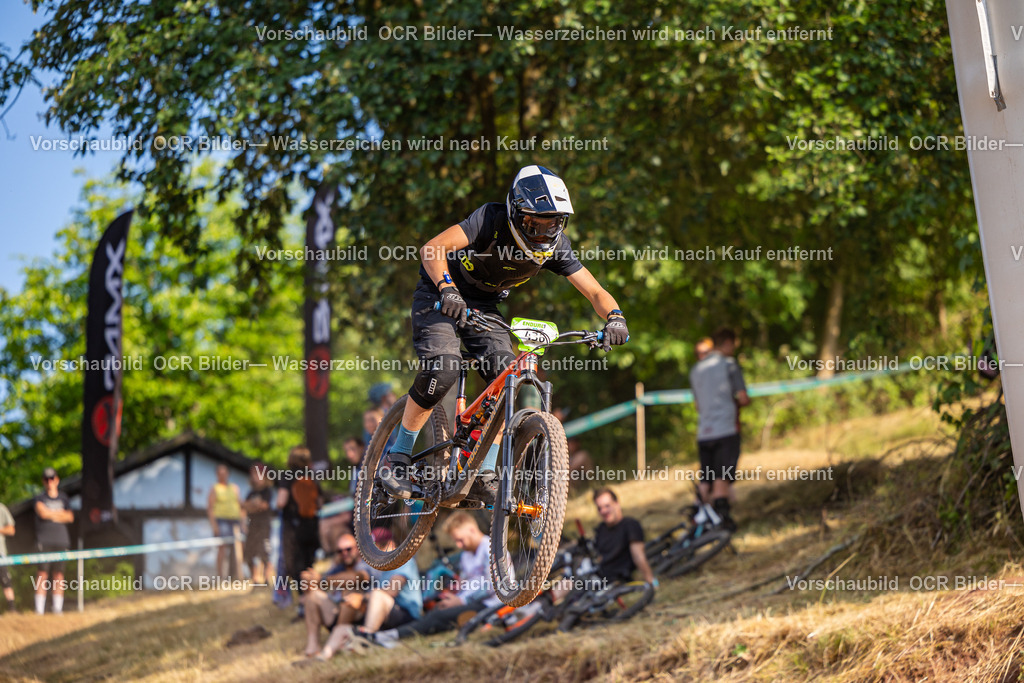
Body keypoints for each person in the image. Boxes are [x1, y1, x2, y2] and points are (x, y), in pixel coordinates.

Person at [380, 165, 629, 503]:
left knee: (509, 378)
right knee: (444, 367)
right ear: (515, 211)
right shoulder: (490, 220)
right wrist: (447, 288)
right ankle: (397, 457)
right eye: (533, 224)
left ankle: (485, 472)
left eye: (552, 224)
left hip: (484, 306)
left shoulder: (556, 248)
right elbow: (432, 249)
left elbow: (596, 292)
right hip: (440, 294)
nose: (542, 233)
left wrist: (615, 317)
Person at [370, 512, 495, 647]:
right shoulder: (466, 555)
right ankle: (392, 637)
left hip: (489, 605)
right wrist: (452, 596)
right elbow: (465, 584)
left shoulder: (489, 548)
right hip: (469, 602)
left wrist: (460, 600)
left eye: (460, 539)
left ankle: (390, 636)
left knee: (437, 617)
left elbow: (492, 586)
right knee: (436, 610)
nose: (458, 545)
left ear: (472, 529)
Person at [316, 528, 421, 659]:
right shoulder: (381, 565)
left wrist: (362, 598)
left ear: (391, 543)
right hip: (385, 613)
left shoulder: (403, 560)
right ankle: (323, 656)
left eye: (379, 546)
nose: (374, 552)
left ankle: (366, 639)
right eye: (372, 548)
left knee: (376, 594)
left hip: (406, 615)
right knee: (343, 626)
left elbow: (391, 590)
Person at [689, 327, 750, 531]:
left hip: (704, 431)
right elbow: (742, 397)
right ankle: (722, 520)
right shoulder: (729, 365)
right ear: (728, 343)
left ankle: (700, 516)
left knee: (706, 478)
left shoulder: (696, 369)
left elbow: (698, 405)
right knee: (722, 476)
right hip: (725, 429)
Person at [300, 533, 371, 658]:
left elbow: (357, 578)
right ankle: (313, 647)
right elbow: (315, 586)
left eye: (348, 549)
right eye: (340, 551)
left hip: (360, 616)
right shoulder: (338, 567)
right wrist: (308, 581)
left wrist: (321, 579)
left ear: (358, 548)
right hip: (337, 614)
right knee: (312, 596)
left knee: (350, 591)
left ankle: (334, 643)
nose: (344, 553)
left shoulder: (366, 564)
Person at [277, 446, 323, 612]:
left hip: (293, 530)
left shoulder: (287, 476)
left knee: (295, 568)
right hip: (311, 527)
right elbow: (319, 503)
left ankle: (304, 606)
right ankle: (314, 600)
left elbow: (281, 501)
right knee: (308, 565)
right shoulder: (312, 477)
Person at [591, 488, 655, 587]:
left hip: (614, 579)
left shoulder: (630, 525)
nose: (603, 511)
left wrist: (652, 582)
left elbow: (638, 556)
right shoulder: (601, 529)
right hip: (596, 574)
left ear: (616, 503)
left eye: (607, 506)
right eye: (600, 508)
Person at [33, 467, 73, 615]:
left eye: (52, 478)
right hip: (44, 540)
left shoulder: (64, 498)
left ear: (57, 480)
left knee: (59, 575)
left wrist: (52, 514)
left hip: (62, 541)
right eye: (46, 479)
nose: (49, 482)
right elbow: (42, 513)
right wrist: (59, 514)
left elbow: (70, 517)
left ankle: (57, 609)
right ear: (44, 481)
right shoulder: (40, 498)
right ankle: (39, 610)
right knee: (42, 573)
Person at [208, 464, 246, 578]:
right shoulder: (214, 488)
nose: (223, 476)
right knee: (222, 549)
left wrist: (243, 522)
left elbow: (240, 505)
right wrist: (214, 526)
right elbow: (210, 508)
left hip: (235, 520)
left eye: (224, 473)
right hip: (222, 521)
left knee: (240, 547)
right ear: (217, 475)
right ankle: (221, 577)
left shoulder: (234, 488)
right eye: (220, 473)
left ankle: (237, 575)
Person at [242, 465, 274, 584]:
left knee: (264, 553)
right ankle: (255, 579)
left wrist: (252, 505)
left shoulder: (267, 491)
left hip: (264, 526)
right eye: (253, 474)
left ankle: (266, 579)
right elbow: (244, 506)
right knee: (249, 554)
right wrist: (254, 505)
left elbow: (263, 506)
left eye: (258, 474)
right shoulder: (251, 492)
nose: (255, 477)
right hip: (252, 526)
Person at [0, 500, 16, 613]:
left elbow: (11, 530)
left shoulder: (1, 508)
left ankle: (12, 609)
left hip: (0, 553)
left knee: (6, 580)